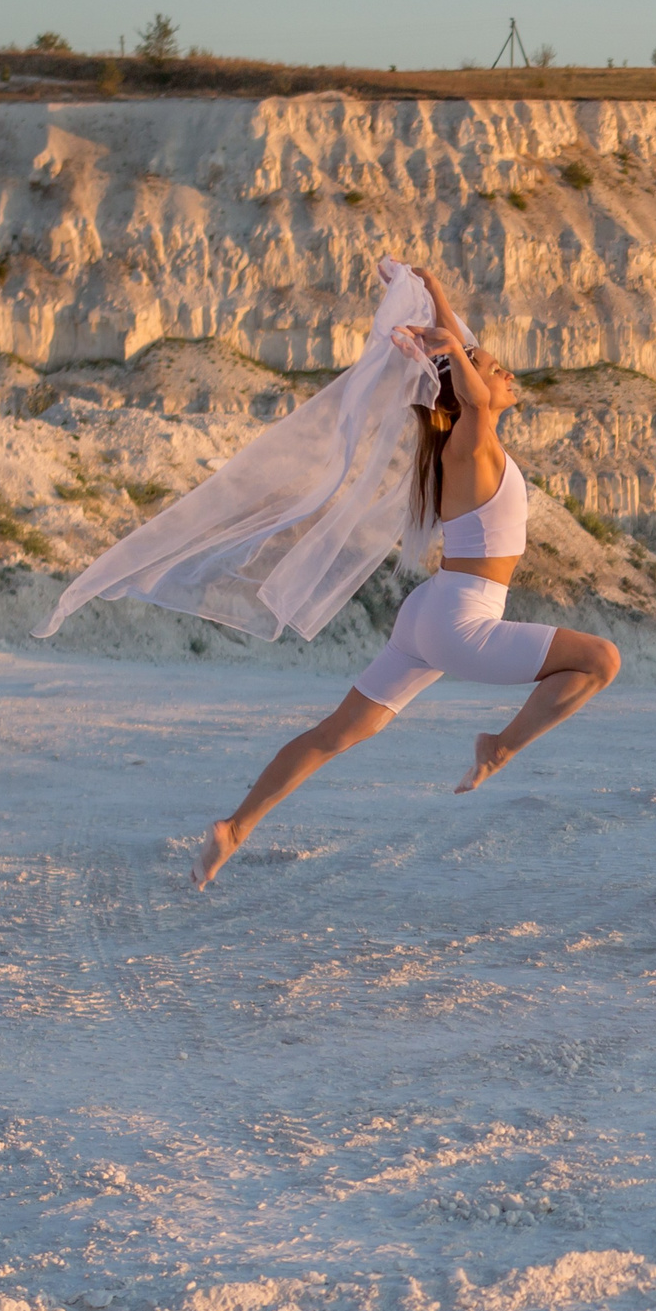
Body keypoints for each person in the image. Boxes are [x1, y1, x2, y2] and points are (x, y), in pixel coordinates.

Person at [188, 269, 620, 889]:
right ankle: (498, 748)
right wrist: (454, 347)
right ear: (466, 387)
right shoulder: (470, 442)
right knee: (601, 660)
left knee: (335, 734)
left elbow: (464, 368)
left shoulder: (466, 443)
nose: (506, 373)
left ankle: (235, 828)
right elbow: (470, 390)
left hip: (430, 612)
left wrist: (439, 296)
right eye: (494, 368)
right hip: (461, 620)